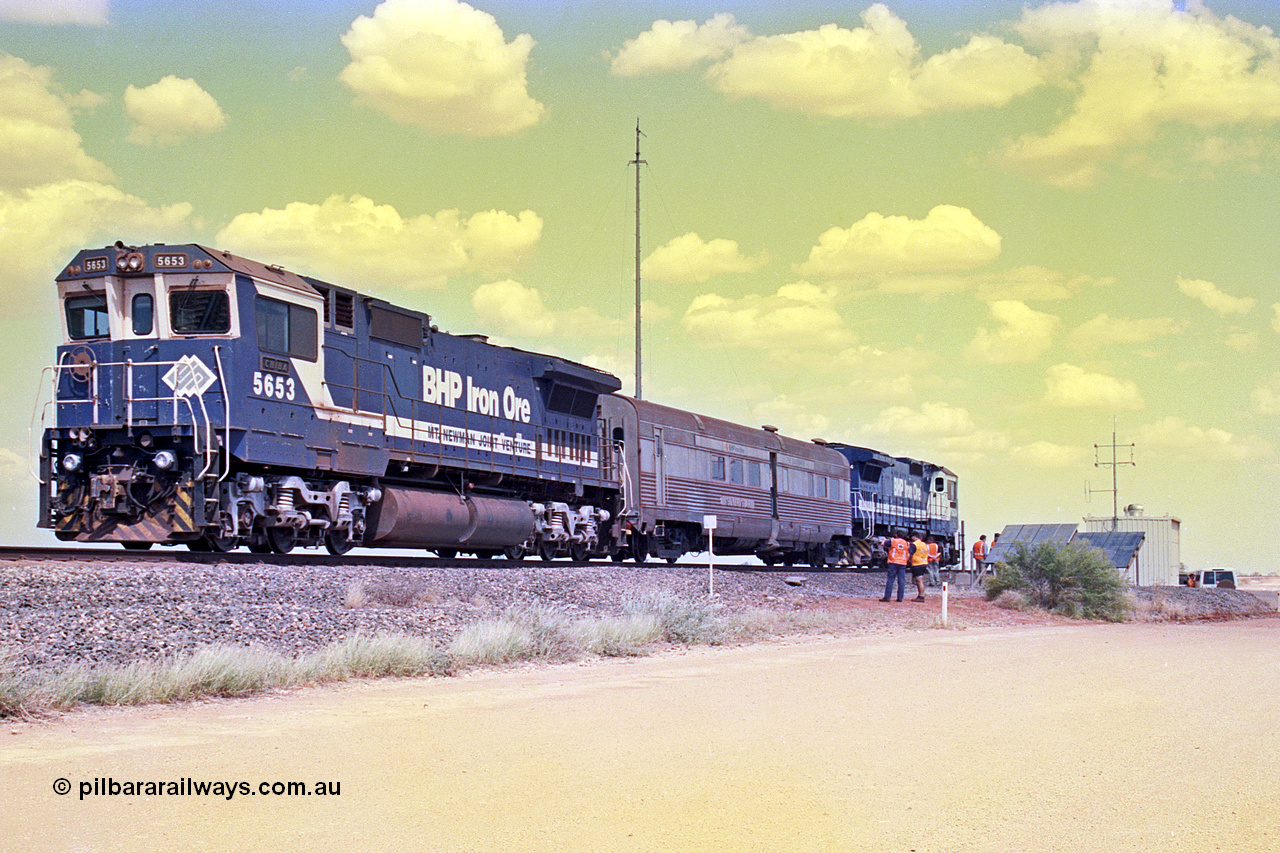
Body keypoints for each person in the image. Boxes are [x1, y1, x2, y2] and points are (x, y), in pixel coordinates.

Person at [882, 530, 909, 602]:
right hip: (902, 563)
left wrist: (884, 540)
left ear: (896, 535)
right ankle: (900, 598)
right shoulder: (907, 543)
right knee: (901, 581)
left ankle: (887, 597)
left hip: (893, 562)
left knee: (890, 580)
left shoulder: (892, 541)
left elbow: (884, 544)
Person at [909, 533, 930, 601]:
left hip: (917, 564)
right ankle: (921, 595)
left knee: (919, 580)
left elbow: (910, 554)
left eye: (913, 536)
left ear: (915, 537)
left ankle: (921, 596)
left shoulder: (914, 544)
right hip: (924, 563)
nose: (912, 538)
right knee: (920, 580)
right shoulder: (924, 544)